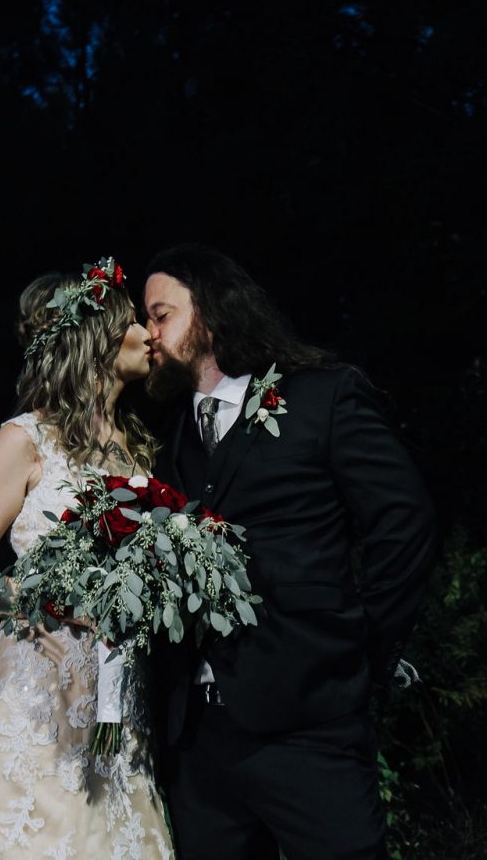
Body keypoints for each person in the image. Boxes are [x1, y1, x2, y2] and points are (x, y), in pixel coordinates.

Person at [143, 244, 436, 860]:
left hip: (310, 727)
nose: (150, 334)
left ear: (213, 312)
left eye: (160, 314)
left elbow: (402, 522)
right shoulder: (171, 443)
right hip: (198, 743)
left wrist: (360, 650)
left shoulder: (321, 398)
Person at [0, 257, 175, 860]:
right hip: (41, 698)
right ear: (93, 336)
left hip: (120, 703)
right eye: (132, 322)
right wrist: (47, 597)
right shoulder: (24, 440)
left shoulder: (140, 453)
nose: (150, 335)